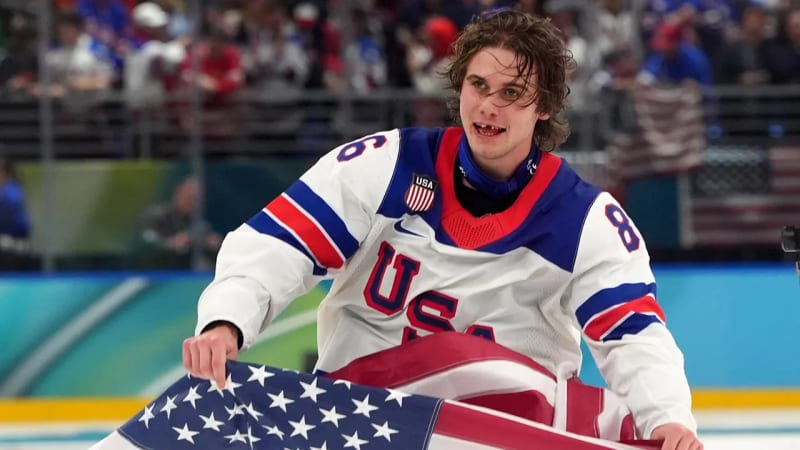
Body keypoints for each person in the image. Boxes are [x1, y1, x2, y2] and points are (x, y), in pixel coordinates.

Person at [182, 9, 703, 450]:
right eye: (478, 85)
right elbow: (281, 244)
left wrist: (668, 418)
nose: (489, 105)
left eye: (513, 92)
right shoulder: (385, 164)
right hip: (364, 423)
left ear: (544, 106)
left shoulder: (586, 220)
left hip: (499, 437)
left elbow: (632, 335)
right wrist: (226, 321)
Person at [135, 176, 221, 269]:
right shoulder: (157, 217)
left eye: (197, 199)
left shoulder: (199, 223)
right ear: (178, 193)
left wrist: (212, 243)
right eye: (190, 197)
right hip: (156, 269)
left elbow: (209, 245)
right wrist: (168, 244)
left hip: (188, 272)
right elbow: (143, 241)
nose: (193, 202)